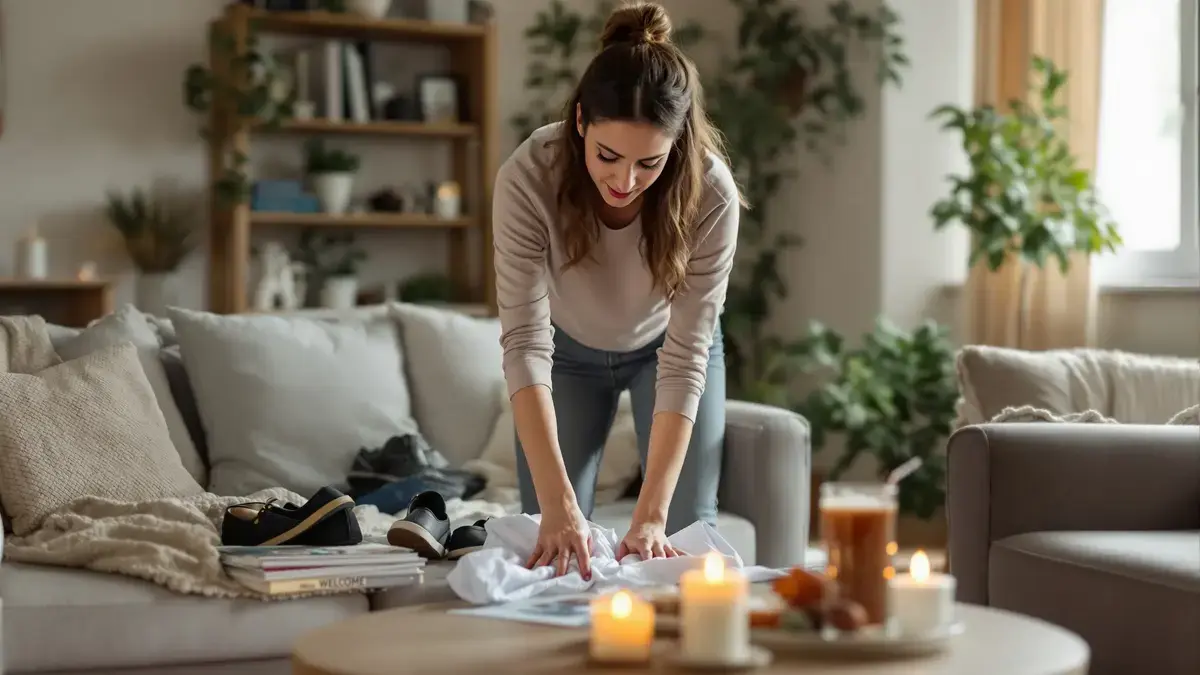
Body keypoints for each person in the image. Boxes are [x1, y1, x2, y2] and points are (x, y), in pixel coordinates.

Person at [491, 0, 744, 579]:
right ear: (580, 120)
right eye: (608, 156)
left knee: (682, 538)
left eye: (649, 163)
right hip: (565, 353)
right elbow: (524, 343)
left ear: (677, 143)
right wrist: (558, 507)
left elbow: (686, 357)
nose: (625, 181)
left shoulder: (712, 193)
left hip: (669, 350)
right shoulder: (529, 176)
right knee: (553, 544)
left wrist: (651, 516)